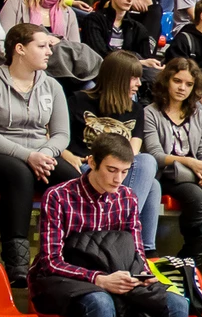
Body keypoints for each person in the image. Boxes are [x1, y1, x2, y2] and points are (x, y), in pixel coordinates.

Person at [29, 133, 189, 317]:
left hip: (115, 274)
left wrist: (143, 275)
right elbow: (51, 261)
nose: (118, 179)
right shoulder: (59, 195)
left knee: (177, 304)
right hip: (62, 280)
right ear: (92, 162)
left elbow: (137, 251)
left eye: (125, 172)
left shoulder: (127, 197)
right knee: (100, 302)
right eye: (111, 170)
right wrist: (99, 280)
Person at [0, 24, 80, 285]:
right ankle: (16, 264)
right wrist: (28, 156)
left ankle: (68, 255)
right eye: (42, 46)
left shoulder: (52, 85)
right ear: (19, 49)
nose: (49, 52)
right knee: (19, 174)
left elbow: (62, 134)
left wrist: (44, 153)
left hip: (40, 154)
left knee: (73, 180)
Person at [64, 50, 164, 250]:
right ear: (117, 77)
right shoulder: (78, 100)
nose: (139, 84)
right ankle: (123, 240)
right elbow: (55, 136)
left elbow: (132, 152)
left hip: (119, 171)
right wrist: (67, 156)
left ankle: (142, 250)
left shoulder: (136, 110)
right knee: (151, 183)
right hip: (88, 167)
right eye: (134, 78)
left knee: (150, 172)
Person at [143, 57, 202, 260]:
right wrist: (191, 162)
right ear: (166, 81)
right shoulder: (150, 112)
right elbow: (155, 155)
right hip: (168, 175)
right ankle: (194, 256)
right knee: (195, 195)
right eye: (177, 81)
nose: (182, 88)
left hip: (195, 172)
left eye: (189, 84)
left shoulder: (198, 113)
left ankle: (195, 249)